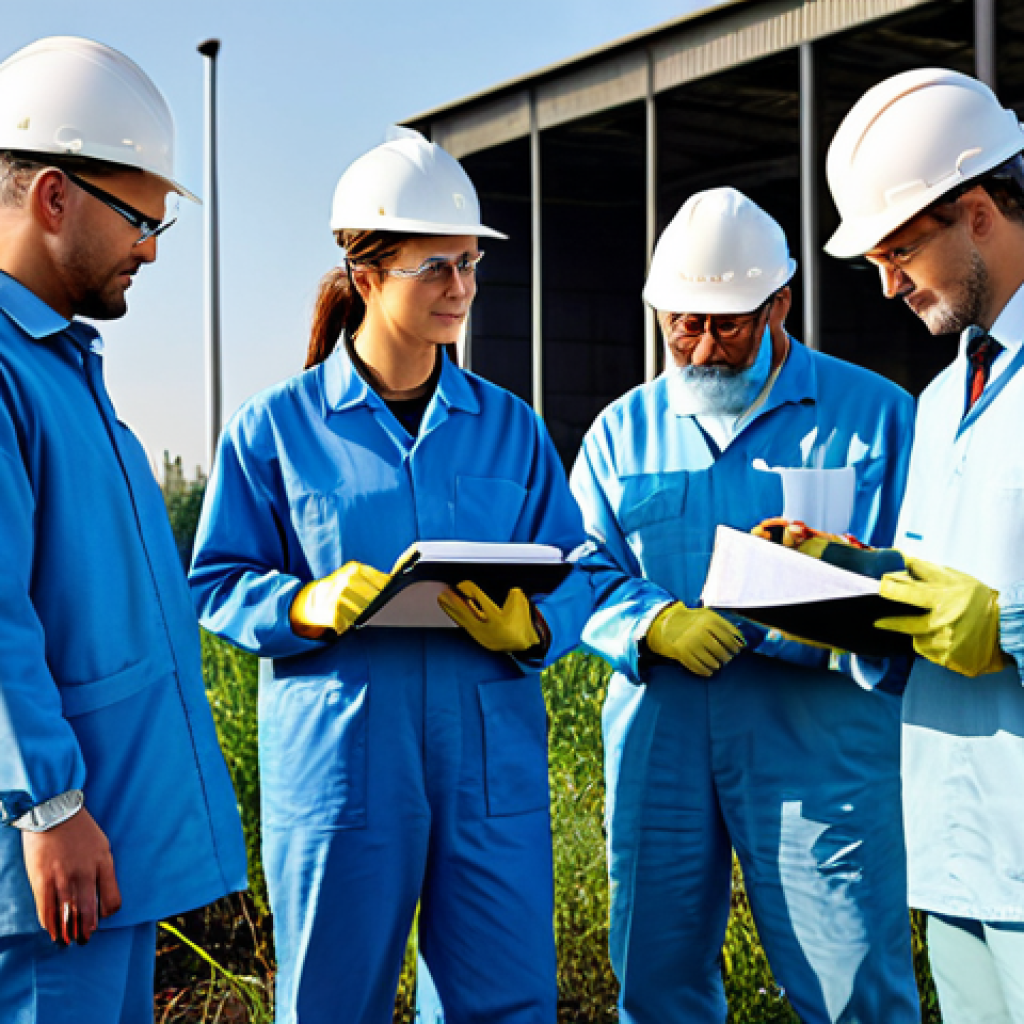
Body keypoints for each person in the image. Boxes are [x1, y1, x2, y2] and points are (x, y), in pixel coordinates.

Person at [188, 128, 592, 1024]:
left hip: (488, 769)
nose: (462, 288)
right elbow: (214, 579)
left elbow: (576, 570)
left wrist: (533, 629)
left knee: (508, 1005)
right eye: (435, 267)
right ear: (366, 275)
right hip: (342, 769)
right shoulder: (276, 429)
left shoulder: (511, 428)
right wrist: (302, 600)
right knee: (332, 1003)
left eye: (470, 264)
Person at [569, 187, 920, 1024]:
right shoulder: (621, 432)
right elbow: (581, 565)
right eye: (682, 325)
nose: (702, 347)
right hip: (662, 740)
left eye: (727, 324)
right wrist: (652, 622)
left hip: (821, 744)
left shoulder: (874, 417)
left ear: (780, 305)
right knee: (657, 983)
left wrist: (822, 601)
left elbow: (920, 577)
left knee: (853, 987)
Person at [0, 36, 246, 1023]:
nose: (149, 246)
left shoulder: (63, 372)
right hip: (48, 863)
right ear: (53, 197)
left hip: (102, 857)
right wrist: (48, 802)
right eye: (140, 217)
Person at [825, 68, 1024, 1023]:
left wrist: (1008, 625)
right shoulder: (943, 400)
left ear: (978, 211)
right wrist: (851, 591)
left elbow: (986, 611)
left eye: (900, 250)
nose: (888, 283)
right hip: (954, 853)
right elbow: (930, 591)